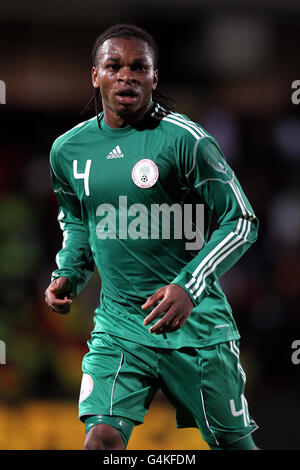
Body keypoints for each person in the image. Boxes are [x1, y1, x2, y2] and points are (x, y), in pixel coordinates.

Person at [45, 23, 260, 451]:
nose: (126, 76)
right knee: (100, 441)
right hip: (120, 325)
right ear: (95, 75)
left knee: (235, 447)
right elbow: (78, 221)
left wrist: (188, 288)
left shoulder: (187, 141)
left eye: (138, 67)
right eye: (114, 66)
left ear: (154, 78)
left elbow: (241, 221)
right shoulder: (68, 151)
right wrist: (69, 272)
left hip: (197, 330)